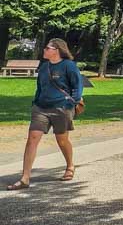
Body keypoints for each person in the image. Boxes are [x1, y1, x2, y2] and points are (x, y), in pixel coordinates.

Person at [6, 39, 83, 191]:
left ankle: (70, 165)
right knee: (32, 139)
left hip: (61, 107)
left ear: (57, 50)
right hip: (41, 108)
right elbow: (40, 87)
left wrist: (71, 103)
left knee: (62, 140)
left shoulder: (69, 66)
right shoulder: (44, 67)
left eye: (48, 48)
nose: (44, 50)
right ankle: (25, 178)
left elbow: (77, 86)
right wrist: (36, 102)